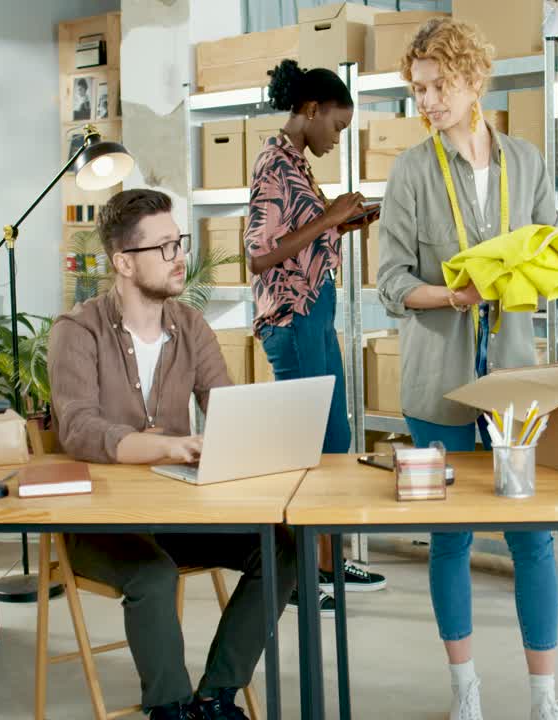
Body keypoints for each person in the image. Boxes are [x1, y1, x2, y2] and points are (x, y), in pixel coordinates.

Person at [374, 18, 558, 720]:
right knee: (451, 539)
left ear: (474, 80)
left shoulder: (526, 162)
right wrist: (453, 296)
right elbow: (390, 282)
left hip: (513, 379)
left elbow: (547, 252)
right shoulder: (411, 172)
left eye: (439, 86)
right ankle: (464, 690)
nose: (427, 101)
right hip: (435, 381)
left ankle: (544, 696)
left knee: (532, 539)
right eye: (418, 89)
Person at [48, 189, 297, 720]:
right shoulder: (77, 331)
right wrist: (168, 445)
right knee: (153, 575)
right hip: (99, 523)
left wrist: (261, 434)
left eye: (178, 242)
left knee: (283, 551)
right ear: (123, 262)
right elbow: (79, 430)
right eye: (164, 247)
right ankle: (171, 708)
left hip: (177, 511)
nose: (179, 256)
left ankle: (216, 695)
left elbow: (225, 407)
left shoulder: (191, 326)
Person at [246, 59, 386, 614]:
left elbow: (297, 238)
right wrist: (328, 218)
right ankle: (299, 575)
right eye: (337, 125)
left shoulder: (297, 164)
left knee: (335, 439)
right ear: (311, 110)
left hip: (314, 314)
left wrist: (343, 221)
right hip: (294, 318)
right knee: (311, 448)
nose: (338, 138)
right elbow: (259, 255)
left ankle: (328, 561)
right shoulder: (274, 164)